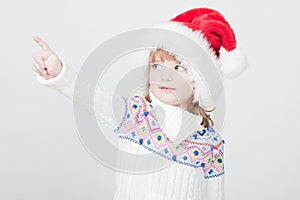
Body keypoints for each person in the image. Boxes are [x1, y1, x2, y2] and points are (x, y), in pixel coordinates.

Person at [32, 7, 247, 200]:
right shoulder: (135, 115)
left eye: (178, 68)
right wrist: (60, 72)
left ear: (199, 82)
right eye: (156, 66)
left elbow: (215, 194)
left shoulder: (210, 143)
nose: (164, 76)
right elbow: (90, 96)